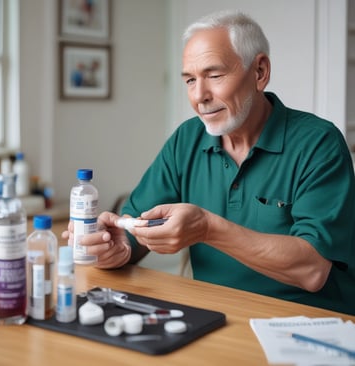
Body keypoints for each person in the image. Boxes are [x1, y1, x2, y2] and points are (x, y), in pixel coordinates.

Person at [63, 10, 355, 315]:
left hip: (307, 324)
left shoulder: (319, 143)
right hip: (215, 316)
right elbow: (134, 227)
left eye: (214, 75)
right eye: (190, 80)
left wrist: (207, 228)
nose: (199, 96)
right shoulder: (186, 140)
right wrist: (118, 248)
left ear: (259, 72)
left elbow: (312, 270)